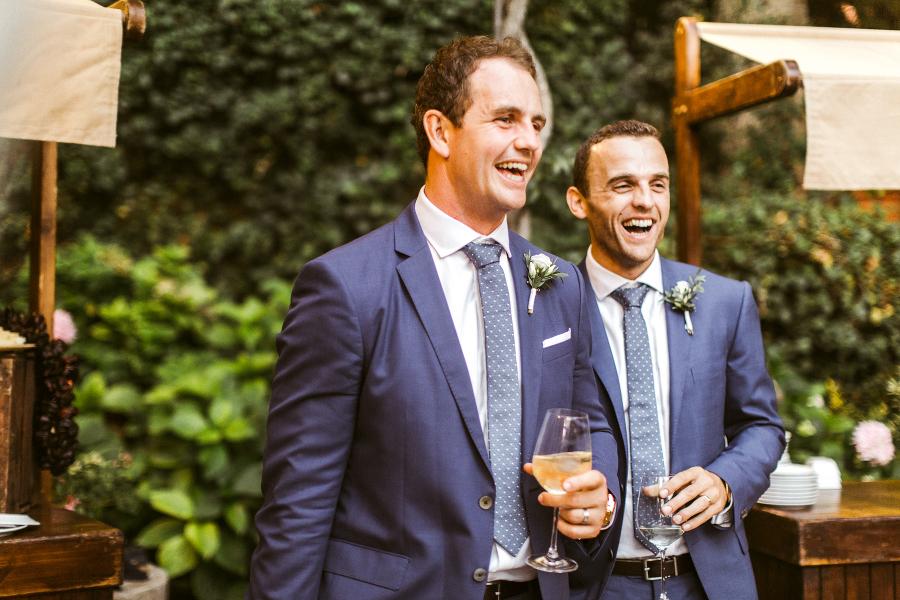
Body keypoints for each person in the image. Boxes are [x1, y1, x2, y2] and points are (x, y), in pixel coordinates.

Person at [247, 36, 620, 600]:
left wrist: (601, 498)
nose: (529, 141)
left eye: (537, 124)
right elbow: (298, 501)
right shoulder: (346, 287)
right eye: (506, 119)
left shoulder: (561, 284)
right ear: (441, 131)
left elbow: (590, 421)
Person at [565, 120, 784, 600]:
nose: (645, 201)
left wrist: (725, 481)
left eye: (658, 185)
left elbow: (762, 426)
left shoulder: (725, 302)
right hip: (595, 584)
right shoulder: (550, 307)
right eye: (623, 185)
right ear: (579, 202)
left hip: (708, 583)